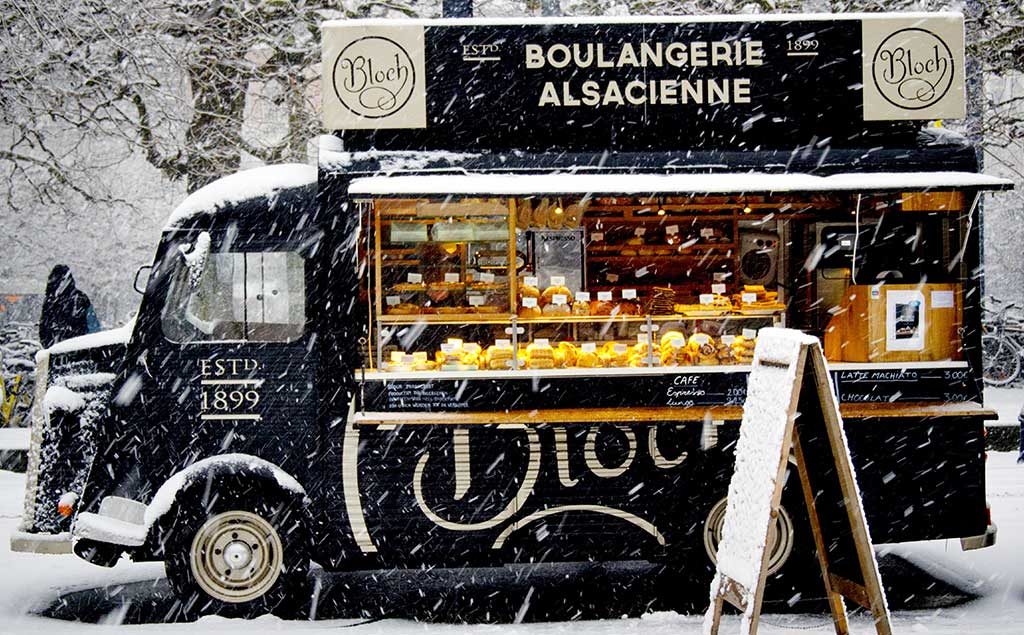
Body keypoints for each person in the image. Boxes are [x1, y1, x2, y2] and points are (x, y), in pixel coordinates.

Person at [38, 265, 100, 348]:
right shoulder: (50, 301)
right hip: (59, 349)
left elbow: (93, 327)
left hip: (77, 349)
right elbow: (43, 328)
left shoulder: (79, 299)